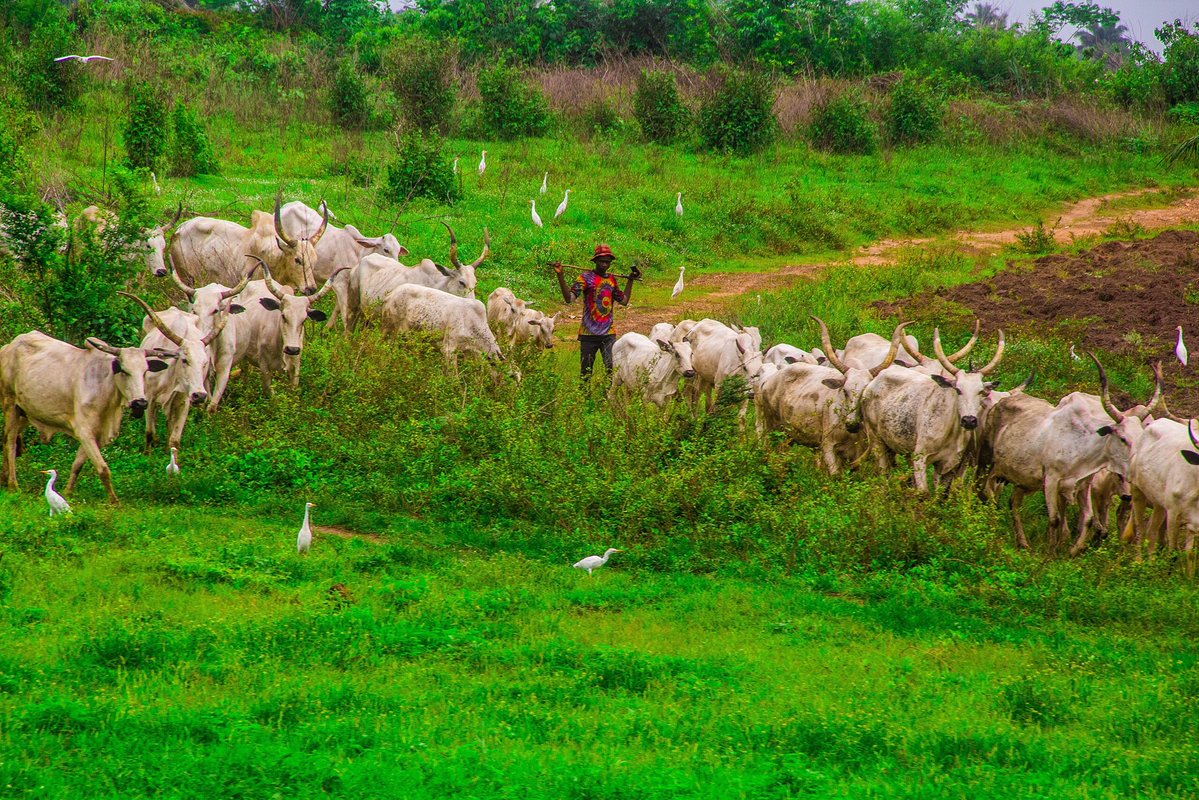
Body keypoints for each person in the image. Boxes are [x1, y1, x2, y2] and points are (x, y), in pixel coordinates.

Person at [553, 244, 640, 378]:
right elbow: (569, 298)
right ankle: (585, 398)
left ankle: (607, 397)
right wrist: (561, 276)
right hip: (588, 334)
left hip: (608, 334)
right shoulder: (586, 278)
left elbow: (624, 301)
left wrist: (630, 280)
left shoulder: (611, 280)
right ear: (595, 261)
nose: (604, 265)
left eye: (607, 262)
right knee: (586, 373)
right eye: (601, 261)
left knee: (611, 369)